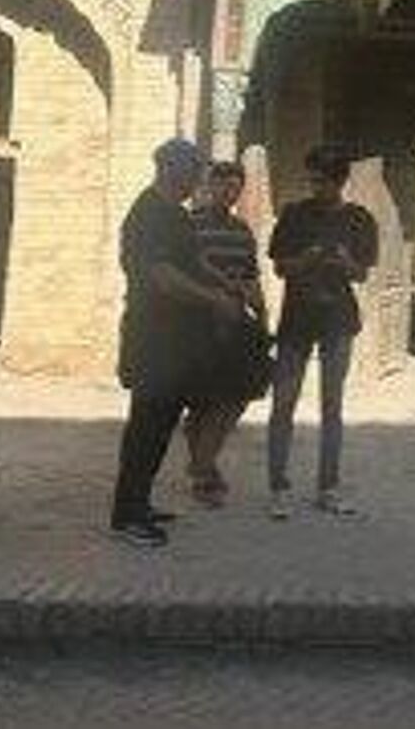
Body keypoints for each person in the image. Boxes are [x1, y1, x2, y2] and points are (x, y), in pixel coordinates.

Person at [110, 137, 221, 546]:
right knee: (146, 427)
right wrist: (212, 299)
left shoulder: (176, 214)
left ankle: (140, 502)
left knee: (160, 427)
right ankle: (127, 516)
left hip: (177, 340)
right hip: (152, 337)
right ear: (171, 169)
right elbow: (162, 277)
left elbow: (192, 261)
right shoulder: (149, 213)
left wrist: (224, 282)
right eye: (193, 171)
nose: (198, 180)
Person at [265, 145, 378, 520]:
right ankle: (278, 489)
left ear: (339, 181)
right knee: (283, 404)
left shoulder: (359, 219)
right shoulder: (295, 215)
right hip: (297, 317)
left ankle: (328, 488)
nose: (315, 187)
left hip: (337, 319)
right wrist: (305, 260)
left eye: (322, 181)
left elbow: (362, 274)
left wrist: (345, 263)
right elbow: (280, 267)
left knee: (332, 406)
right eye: (311, 180)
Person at [178, 159, 268, 508]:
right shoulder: (189, 226)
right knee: (208, 399)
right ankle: (204, 471)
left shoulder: (242, 231)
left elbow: (251, 277)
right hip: (197, 324)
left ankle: (202, 463)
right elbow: (185, 272)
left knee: (236, 396)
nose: (230, 193)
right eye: (224, 186)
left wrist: (262, 316)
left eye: (235, 188)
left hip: (234, 323)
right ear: (209, 186)